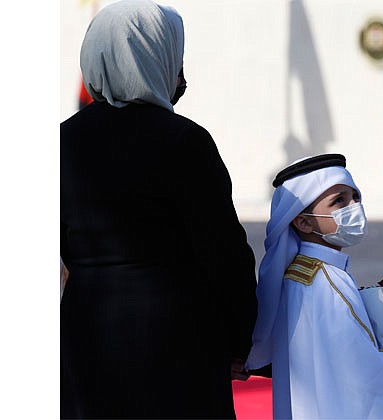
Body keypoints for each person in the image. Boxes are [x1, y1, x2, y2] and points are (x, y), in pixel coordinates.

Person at [60, 1, 258, 418]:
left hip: (85, 335)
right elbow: (225, 255)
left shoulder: (61, 142)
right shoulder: (185, 143)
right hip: (175, 342)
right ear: (157, 58)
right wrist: (243, 340)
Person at [244, 154, 383, 419]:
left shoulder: (305, 274)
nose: (354, 206)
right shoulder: (324, 281)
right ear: (303, 221)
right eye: (339, 201)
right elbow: (363, 373)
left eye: (355, 197)